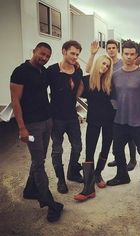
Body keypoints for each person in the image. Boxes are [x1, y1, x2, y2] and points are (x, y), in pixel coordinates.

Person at [10, 42, 63, 222]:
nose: (44, 58)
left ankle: (30, 190)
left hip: (47, 121)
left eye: (47, 56)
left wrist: (74, 64)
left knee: (39, 159)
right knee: (39, 163)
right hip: (32, 125)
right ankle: (49, 203)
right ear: (34, 51)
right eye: (42, 54)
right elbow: (15, 102)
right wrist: (22, 127)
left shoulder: (43, 71)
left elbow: (57, 73)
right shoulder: (20, 71)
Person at [86, 40, 140, 171]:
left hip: (136, 116)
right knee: (117, 147)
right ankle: (120, 171)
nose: (129, 57)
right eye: (126, 54)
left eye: (113, 47)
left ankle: (139, 170)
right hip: (117, 116)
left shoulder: (136, 70)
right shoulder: (112, 70)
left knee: (139, 147)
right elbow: (94, 75)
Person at [106, 40, 140, 194]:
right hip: (119, 121)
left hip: (138, 121)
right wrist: (114, 109)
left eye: (132, 54)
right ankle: (122, 176)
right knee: (117, 150)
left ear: (137, 55)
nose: (129, 57)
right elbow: (112, 95)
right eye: (126, 54)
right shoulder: (115, 75)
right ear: (122, 54)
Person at [74, 55, 115, 202]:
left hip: (110, 121)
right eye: (103, 64)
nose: (105, 67)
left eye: (108, 66)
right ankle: (88, 189)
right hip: (93, 121)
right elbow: (75, 95)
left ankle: (98, 174)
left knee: (105, 149)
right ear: (98, 63)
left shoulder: (110, 81)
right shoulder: (87, 80)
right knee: (89, 151)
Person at [46, 40, 84, 194]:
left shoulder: (77, 71)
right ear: (64, 51)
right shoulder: (52, 70)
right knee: (57, 150)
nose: (75, 57)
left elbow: (80, 85)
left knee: (77, 147)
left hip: (72, 117)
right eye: (72, 53)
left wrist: (76, 96)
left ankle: (72, 172)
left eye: (77, 54)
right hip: (56, 118)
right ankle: (61, 180)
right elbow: (41, 89)